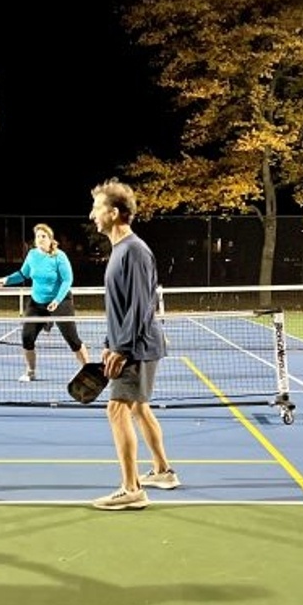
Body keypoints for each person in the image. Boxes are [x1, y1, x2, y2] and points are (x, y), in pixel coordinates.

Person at [88, 178, 180, 511]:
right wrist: (108, 342)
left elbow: (141, 305)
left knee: (117, 409)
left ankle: (131, 489)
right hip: (129, 343)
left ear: (114, 213)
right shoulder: (120, 251)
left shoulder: (135, 250)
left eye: (97, 208)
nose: (92, 215)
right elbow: (121, 305)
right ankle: (163, 471)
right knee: (138, 407)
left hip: (136, 347)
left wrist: (122, 348)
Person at [0, 223, 90, 381]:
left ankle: (88, 370)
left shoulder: (59, 256)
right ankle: (30, 371)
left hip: (60, 301)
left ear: (50, 239)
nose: (40, 239)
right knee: (27, 337)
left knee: (72, 339)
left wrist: (57, 300)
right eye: (37, 236)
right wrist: (6, 280)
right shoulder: (32, 255)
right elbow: (23, 274)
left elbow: (67, 280)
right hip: (37, 303)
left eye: (43, 236)